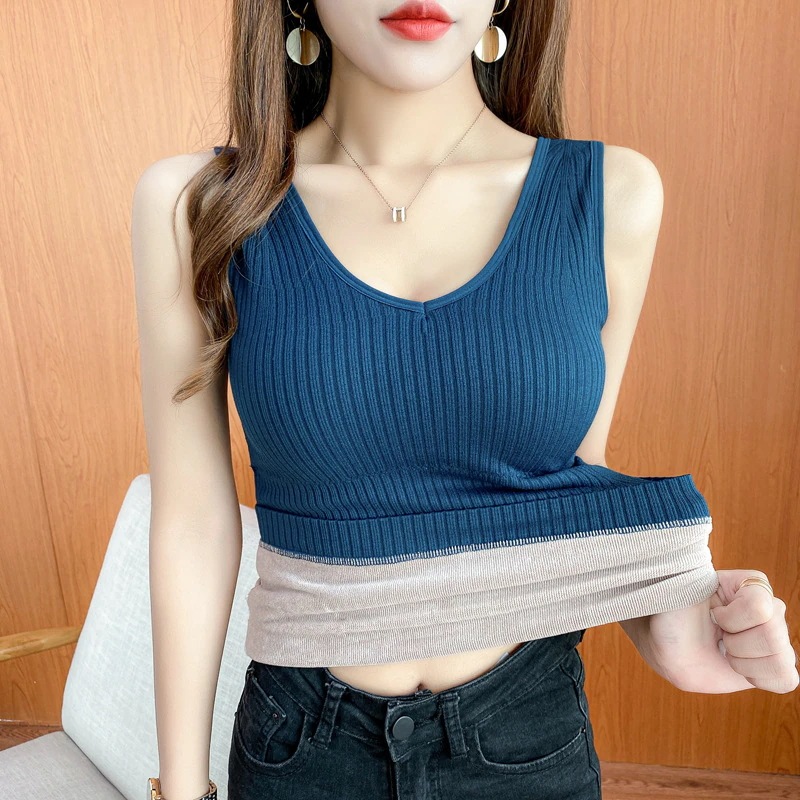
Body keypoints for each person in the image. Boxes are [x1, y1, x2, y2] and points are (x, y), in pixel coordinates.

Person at [131, 1, 798, 799]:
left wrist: (666, 613)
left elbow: (560, 492)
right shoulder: (200, 205)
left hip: (526, 737)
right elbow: (193, 523)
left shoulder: (611, 195)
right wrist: (180, 791)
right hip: (304, 748)